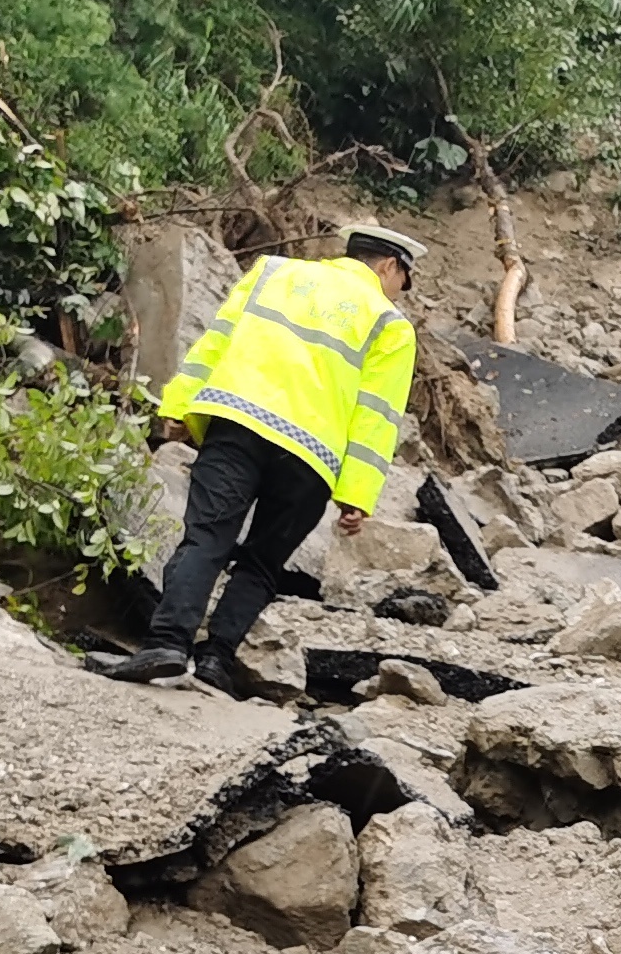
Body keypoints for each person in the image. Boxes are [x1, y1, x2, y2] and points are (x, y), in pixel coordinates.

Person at [95, 223, 426, 691]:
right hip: (312, 458)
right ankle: (215, 660)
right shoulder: (390, 325)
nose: (399, 294)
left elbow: (216, 341)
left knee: (206, 537)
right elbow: (377, 415)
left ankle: (167, 643)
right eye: (402, 283)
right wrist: (357, 494)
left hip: (236, 423)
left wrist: (177, 406)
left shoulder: (273, 272)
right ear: (389, 266)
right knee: (263, 563)